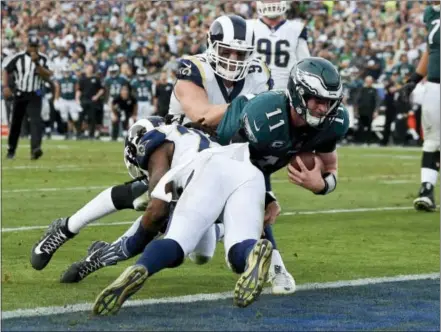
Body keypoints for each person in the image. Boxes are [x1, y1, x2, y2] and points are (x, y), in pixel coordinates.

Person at [92, 118, 272, 315]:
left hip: (209, 170)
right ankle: (251, 252)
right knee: (238, 253)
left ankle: (142, 268)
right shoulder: (196, 137)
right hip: (250, 173)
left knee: (177, 241)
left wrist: (137, 243)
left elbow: (157, 212)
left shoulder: (158, 143)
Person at [402, 4, 440, 212]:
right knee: (432, 140)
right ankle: (427, 189)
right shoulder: (432, 13)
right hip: (434, 84)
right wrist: (415, 79)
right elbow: (431, 50)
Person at [2, 35, 53, 160]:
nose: (33, 49)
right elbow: (6, 70)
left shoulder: (43, 59)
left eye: (35, 46)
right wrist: (6, 87)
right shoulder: (17, 57)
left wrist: (37, 63)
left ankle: (35, 149)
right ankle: (11, 150)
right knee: (16, 123)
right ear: (27, 45)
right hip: (20, 93)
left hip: (35, 93)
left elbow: (48, 75)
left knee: (36, 121)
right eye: (31, 46)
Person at [248, 0, 310, 90]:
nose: (271, 2)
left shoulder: (296, 28)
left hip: (285, 89)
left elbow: (304, 63)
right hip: (254, 88)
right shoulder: (249, 26)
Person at [76, 63, 105, 140]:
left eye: (90, 67)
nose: (89, 69)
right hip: (83, 100)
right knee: (80, 117)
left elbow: (102, 89)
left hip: (92, 101)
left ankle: (91, 134)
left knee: (92, 118)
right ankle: (79, 134)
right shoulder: (82, 79)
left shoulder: (96, 79)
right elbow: (79, 90)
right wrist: (77, 99)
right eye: (88, 67)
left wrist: (96, 96)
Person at [54, 65, 81, 139]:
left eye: (67, 72)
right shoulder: (60, 80)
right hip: (63, 100)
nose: (66, 73)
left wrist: (77, 99)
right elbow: (58, 90)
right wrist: (56, 100)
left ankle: (78, 133)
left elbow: (77, 90)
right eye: (65, 72)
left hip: (72, 100)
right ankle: (66, 133)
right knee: (64, 117)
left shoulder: (74, 80)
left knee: (75, 117)